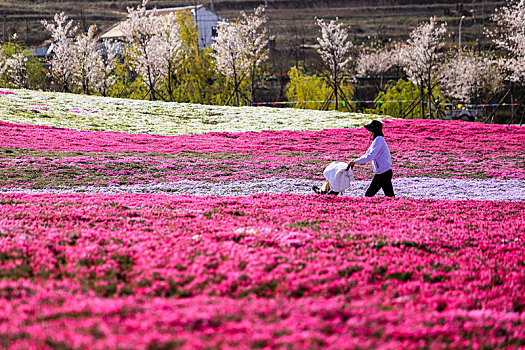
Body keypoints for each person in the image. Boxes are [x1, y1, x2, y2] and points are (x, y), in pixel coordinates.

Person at [348, 120, 395, 197]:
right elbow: (368, 154)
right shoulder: (377, 140)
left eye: (370, 129)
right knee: (369, 195)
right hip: (381, 172)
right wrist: (355, 161)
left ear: (374, 130)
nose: (369, 131)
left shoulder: (379, 140)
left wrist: (355, 161)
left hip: (384, 173)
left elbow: (370, 156)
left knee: (388, 196)